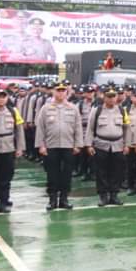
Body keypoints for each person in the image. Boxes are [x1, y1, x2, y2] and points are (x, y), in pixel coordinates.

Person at [35, 82, 83, 210]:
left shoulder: (73, 108)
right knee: (52, 173)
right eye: (58, 90)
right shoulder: (46, 108)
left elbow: (78, 127)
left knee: (67, 173)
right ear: (53, 92)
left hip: (68, 146)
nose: (61, 93)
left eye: (63, 90)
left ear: (67, 93)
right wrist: (41, 145)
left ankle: (64, 199)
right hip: (51, 146)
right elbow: (40, 128)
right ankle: (52, 199)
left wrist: (78, 144)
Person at [86, 88, 131, 207]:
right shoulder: (97, 110)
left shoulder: (122, 110)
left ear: (117, 97)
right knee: (101, 172)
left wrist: (127, 144)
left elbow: (127, 128)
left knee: (117, 171)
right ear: (104, 97)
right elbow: (90, 129)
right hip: (101, 144)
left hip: (118, 145)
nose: (111, 99)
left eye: (113, 96)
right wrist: (89, 145)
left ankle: (114, 195)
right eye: (108, 96)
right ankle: (103, 196)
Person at [0, 88, 25, 214]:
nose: (1, 99)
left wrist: (20, 148)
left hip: (8, 149)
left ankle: (4, 202)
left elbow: (19, 131)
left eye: (4, 96)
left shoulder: (13, 111)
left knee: (6, 178)